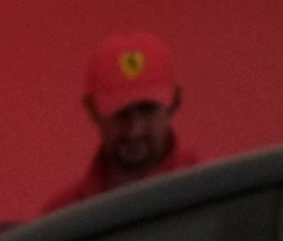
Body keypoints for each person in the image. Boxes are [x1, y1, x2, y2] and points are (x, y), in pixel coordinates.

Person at [44, 31, 189, 214]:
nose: (134, 130)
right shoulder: (61, 215)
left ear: (174, 104)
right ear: (92, 110)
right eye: (120, 112)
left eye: (147, 109)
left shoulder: (210, 193)